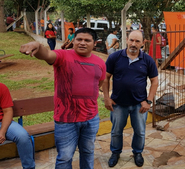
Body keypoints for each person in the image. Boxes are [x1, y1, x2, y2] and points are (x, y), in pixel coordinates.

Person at [19, 28, 106, 168]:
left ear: (94, 43)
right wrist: (38, 46)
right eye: (79, 39)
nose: (82, 43)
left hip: (91, 118)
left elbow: (99, 83)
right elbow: (47, 54)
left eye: (87, 40)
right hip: (66, 120)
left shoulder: (100, 62)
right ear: (73, 41)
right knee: (65, 157)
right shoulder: (63, 56)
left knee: (88, 152)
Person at [103, 30, 158, 168]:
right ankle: (115, 153)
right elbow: (105, 78)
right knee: (116, 131)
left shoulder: (147, 60)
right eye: (131, 40)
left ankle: (137, 153)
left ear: (143, 43)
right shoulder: (115, 57)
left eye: (137, 41)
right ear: (126, 40)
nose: (134, 44)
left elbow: (154, 81)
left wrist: (149, 101)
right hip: (118, 104)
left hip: (139, 105)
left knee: (139, 131)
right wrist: (106, 98)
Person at [0, 83, 35, 169]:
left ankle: (29, 167)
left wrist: (2, 131)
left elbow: (8, 111)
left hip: (3, 122)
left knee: (22, 136)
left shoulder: (1, 87)